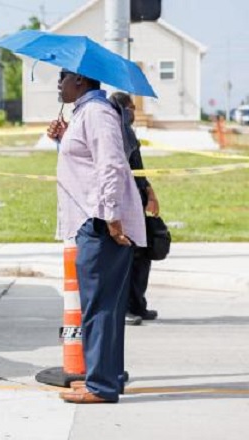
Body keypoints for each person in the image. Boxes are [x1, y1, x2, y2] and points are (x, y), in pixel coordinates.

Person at [46, 69, 146, 404]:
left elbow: (111, 166)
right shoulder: (84, 114)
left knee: (100, 306)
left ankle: (101, 386)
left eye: (63, 77)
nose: (58, 83)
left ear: (81, 81)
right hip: (94, 220)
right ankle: (107, 378)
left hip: (100, 222)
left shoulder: (98, 113)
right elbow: (86, 161)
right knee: (106, 306)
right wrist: (63, 139)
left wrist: (112, 218)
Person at [107, 92, 160, 326]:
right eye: (131, 109)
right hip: (125, 202)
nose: (134, 114)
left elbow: (138, 167)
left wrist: (149, 192)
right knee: (128, 257)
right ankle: (126, 307)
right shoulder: (115, 133)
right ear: (123, 109)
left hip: (138, 198)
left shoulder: (128, 133)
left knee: (142, 255)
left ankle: (138, 304)